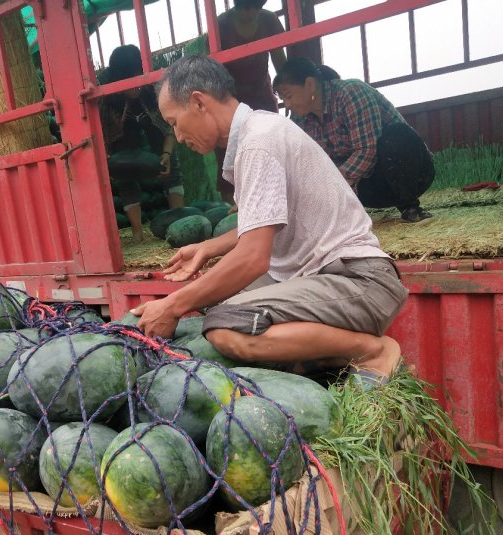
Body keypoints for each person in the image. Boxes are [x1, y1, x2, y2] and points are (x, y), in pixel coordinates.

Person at [131, 55, 408, 384]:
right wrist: (209, 246)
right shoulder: (259, 131)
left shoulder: (258, 143)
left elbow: (253, 258)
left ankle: (373, 352)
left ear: (199, 103)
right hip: (334, 278)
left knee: (224, 327)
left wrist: (173, 305)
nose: (176, 137)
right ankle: (319, 359)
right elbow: (265, 222)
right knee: (217, 297)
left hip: (360, 282)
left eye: (175, 122)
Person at [273, 57, 435, 223]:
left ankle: (410, 207)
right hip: (369, 186)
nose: (287, 104)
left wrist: (330, 184)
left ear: (309, 85)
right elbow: (305, 164)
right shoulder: (300, 119)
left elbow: (367, 151)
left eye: (289, 96)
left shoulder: (350, 93)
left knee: (396, 136)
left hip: (412, 175)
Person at [98, 45, 185, 241]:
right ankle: (138, 233)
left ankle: (180, 221)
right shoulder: (106, 96)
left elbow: (169, 126)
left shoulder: (154, 89)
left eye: (136, 79)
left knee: (171, 170)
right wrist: (106, 155)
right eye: (128, 82)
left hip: (151, 128)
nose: (134, 88)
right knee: (125, 177)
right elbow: (101, 131)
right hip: (122, 135)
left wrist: (167, 154)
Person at [214, 0, 287, 206]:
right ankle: (233, 206)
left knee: (270, 142)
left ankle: (273, 199)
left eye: (256, 8)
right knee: (228, 151)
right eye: (246, 9)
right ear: (236, 6)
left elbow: (279, 59)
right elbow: (214, 69)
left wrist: (286, 90)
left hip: (261, 93)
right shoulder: (220, 25)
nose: (251, 13)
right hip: (230, 97)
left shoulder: (269, 20)